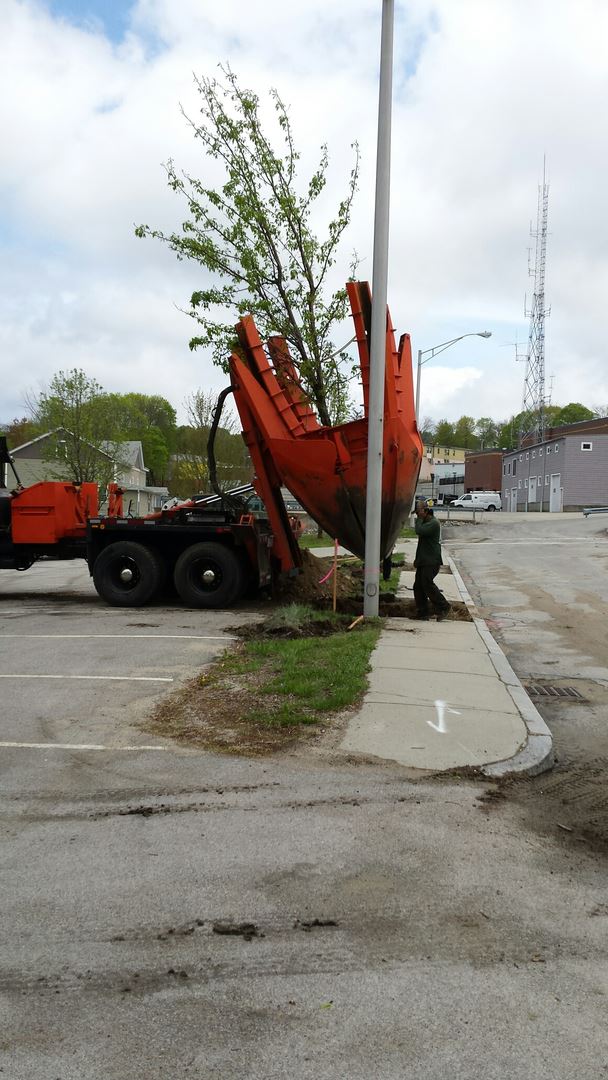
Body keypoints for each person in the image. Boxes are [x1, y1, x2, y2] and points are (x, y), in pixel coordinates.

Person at [413, 499, 451, 621]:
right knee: (418, 586)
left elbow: (419, 530)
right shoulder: (426, 522)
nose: (417, 516)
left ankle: (444, 606)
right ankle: (423, 612)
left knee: (427, 584)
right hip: (424, 560)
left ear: (425, 511)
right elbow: (422, 544)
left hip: (432, 561)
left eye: (418, 513)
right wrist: (417, 560)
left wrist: (418, 519)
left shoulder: (433, 523)